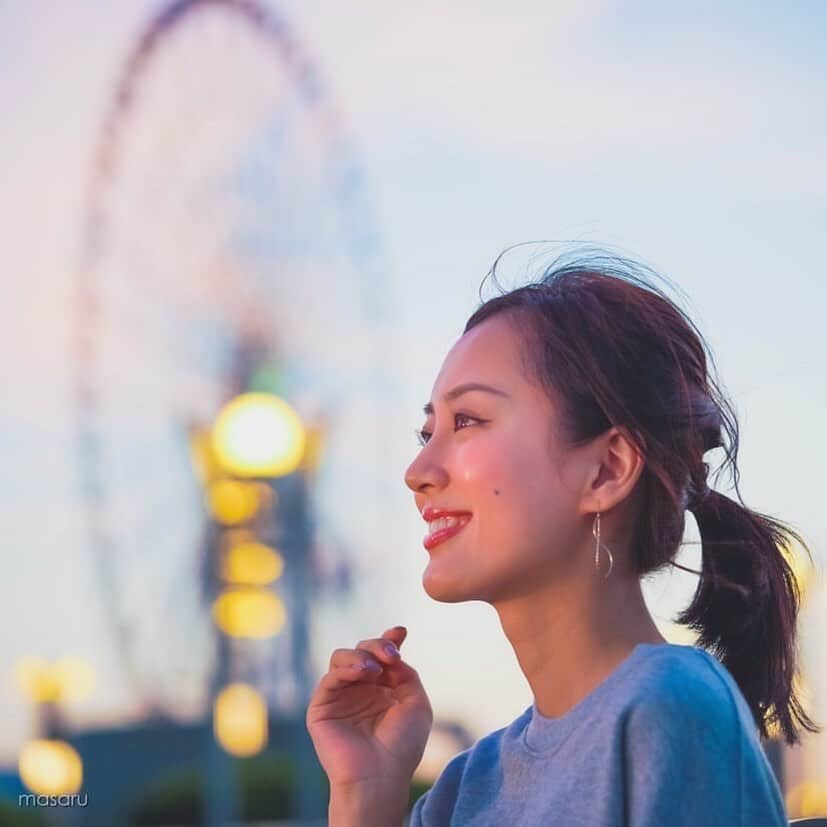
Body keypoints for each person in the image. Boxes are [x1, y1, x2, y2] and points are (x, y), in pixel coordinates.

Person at [305, 248, 821, 826]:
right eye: (426, 431)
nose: (418, 471)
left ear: (606, 470)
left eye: (468, 420)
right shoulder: (464, 789)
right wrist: (365, 793)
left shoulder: (669, 707)